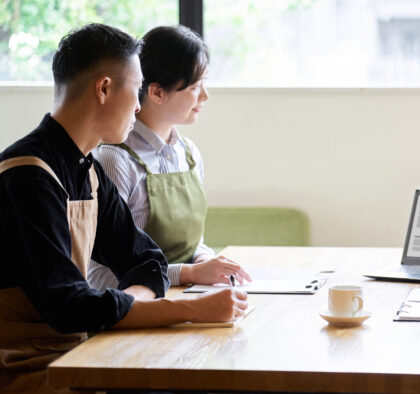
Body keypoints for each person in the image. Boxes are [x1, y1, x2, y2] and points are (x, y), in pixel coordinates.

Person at [0, 24, 247, 394]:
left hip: (80, 353)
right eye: (136, 89)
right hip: (26, 367)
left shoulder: (88, 168)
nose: (138, 104)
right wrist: (190, 310)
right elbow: (69, 307)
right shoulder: (27, 175)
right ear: (104, 89)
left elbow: (148, 262)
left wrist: (123, 306)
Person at [88, 25, 250, 289]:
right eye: (195, 86)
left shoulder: (189, 154)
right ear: (156, 92)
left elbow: (193, 245)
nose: (205, 96)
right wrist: (190, 274)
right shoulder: (113, 160)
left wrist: (209, 262)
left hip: (187, 298)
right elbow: (102, 276)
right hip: (136, 313)